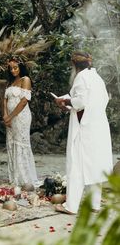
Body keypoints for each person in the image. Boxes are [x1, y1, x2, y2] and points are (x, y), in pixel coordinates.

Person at [54, 51, 113, 214]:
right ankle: (94, 205)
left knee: (76, 166)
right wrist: (68, 101)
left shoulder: (81, 78)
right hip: (98, 128)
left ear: (74, 65)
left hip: (84, 130)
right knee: (94, 166)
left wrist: (63, 101)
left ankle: (71, 206)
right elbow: (96, 100)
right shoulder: (96, 78)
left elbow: (79, 102)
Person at [3, 56, 39, 187]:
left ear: (21, 67)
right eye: (10, 68)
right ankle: (14, 177)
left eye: (15, 67)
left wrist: (11, 116)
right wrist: (5, 115)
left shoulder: (26, 80)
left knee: (21, 143)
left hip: (21, 117)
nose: (12, 70)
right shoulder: (10, 82)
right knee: (11, 143)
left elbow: (24, 101)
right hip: (10, 117)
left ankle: (24, 177)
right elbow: (5, 100)